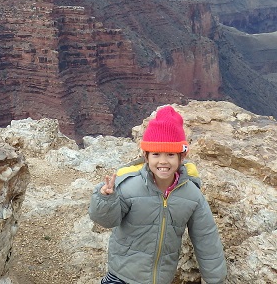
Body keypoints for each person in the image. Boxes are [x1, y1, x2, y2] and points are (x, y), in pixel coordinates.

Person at [89, 105, 227, 284]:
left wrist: (216, 280)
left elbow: (206, 239)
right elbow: (107, 221)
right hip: (121, 276)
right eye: (156, 154)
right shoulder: (129, 186)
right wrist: (106, 199)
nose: (163, 161)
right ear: (146, 157)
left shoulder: (192, 195)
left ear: (181, 157)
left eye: (170, 154)